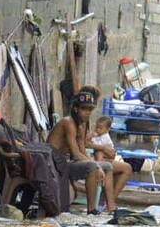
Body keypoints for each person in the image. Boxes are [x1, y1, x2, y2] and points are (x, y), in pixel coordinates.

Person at [47, 85, 115, 215]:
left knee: (107, 166)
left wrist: (97, 165)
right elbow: (75, 153)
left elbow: (82, 150)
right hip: (55, 163)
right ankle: (91, 210)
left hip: (66, 162)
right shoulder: (68, 122)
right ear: (76, 109)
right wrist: (95, 165)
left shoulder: (82, 124)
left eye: (90, 109)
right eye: (84, 109)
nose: (88, 112)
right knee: (93, 167)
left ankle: (111, 208)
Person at [86, 115, 133, 210]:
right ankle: (109, 202)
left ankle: (107, 201)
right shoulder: (95, 134)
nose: (97, 130)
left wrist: (106, 151)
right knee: (127, 168)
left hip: (105, 159)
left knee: (124, 169)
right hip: (97, 160)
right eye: (96, 127)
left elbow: (111, 153)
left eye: (100, 128)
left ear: (107, 129)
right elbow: (85, 142)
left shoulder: (104, 137)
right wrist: (103, 148)